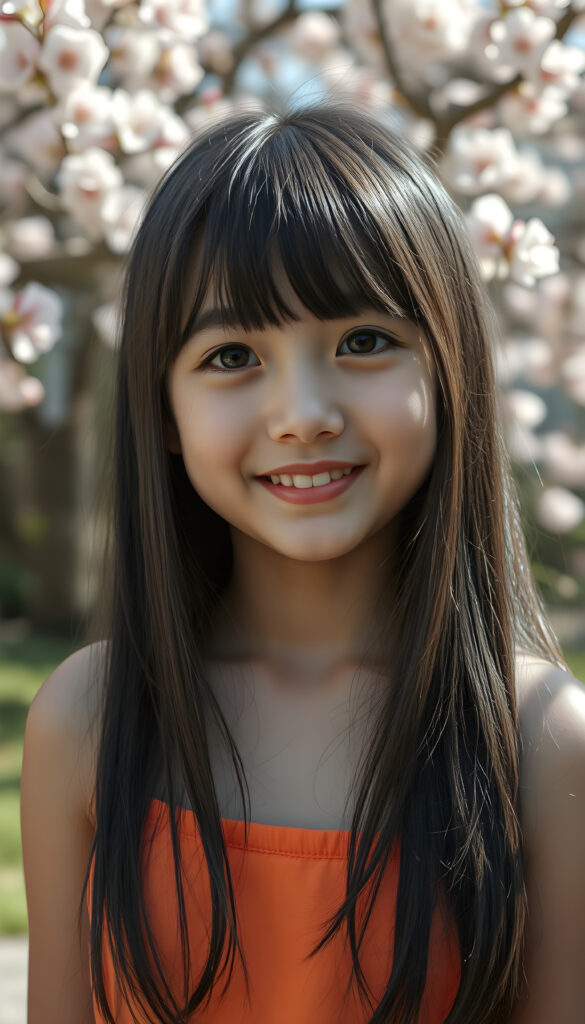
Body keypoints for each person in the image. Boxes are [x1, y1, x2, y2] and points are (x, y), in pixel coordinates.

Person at [21, 101, 585, 1024]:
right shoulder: (92, 716)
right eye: (231, 355)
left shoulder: (539, 739)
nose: (303, 415)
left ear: (449, 370)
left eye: (364, 341)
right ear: (163, 411)